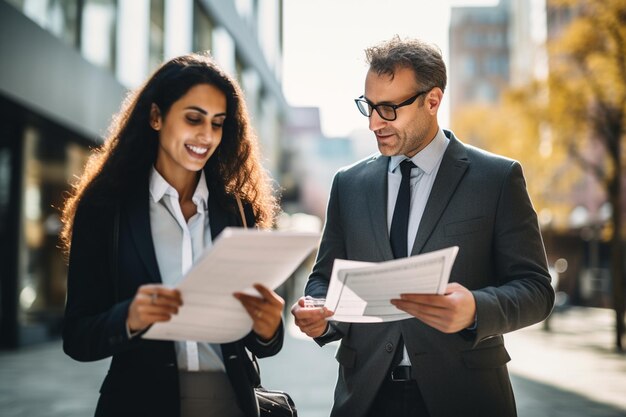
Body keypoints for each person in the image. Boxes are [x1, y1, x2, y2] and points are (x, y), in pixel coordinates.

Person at [291, 36, 555, 417]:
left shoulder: (497, 178)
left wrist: (476, 309)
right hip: (365, 396)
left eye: (388, 109)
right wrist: (318, 313)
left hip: (465, 397)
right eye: (368, 106)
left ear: (432, 101)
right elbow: (324, 278)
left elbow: (536, 289)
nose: (373, 123)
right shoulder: (348, 184)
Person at [61, 53, 284, 417]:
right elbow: (78, 337)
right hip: (140, 403)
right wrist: (129, 317)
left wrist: (268, 329)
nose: (206, 136)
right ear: (155, 117)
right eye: (193, 119)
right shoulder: (105, 209)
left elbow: (257, 342)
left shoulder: (237, 211)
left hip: (232, 402)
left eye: (218, 123)